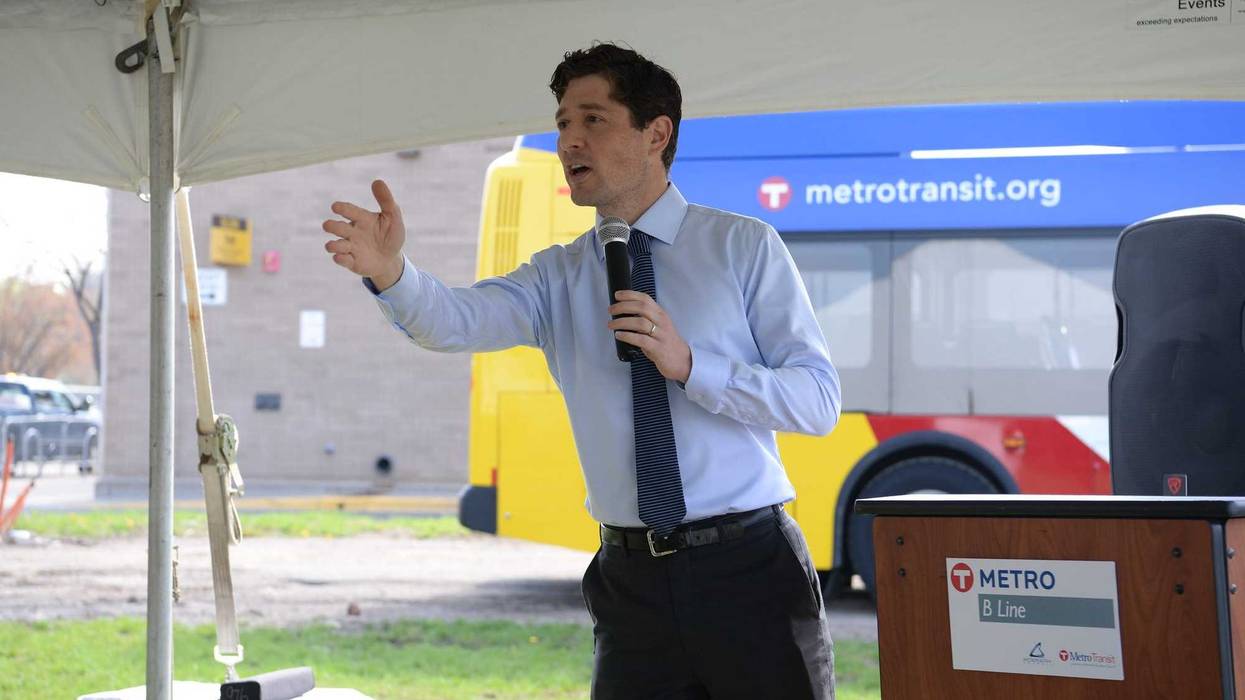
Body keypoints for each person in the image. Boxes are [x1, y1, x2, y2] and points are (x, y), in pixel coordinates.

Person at [322, 42, 840, 700]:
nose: (569, 140)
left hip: (748, 571)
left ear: (656, 134)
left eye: (593, 119)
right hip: (631, 585)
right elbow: (453, 320)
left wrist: (690, 365)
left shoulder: (743, 247)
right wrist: (390, 273)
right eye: (563, 122)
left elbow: (816, 401)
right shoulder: (557, 276)